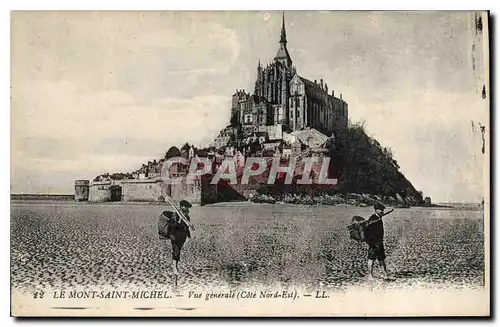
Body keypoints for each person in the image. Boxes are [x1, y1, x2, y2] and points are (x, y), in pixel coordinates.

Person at [158, 200, 193, 275]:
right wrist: (179, 222)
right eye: (185, 207)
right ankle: (174, 267)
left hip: (182, 236)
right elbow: (172, 227)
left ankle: (175, 264)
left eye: (187, 208)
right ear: (181, 207)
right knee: (176, 250)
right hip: (175, 236)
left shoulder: (187, 217)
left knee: (178, 250)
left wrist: (189, 229)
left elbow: (186, 227)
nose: (187, 209)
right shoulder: (175, 216)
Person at [362, 203, 394, 280]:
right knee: (371, 259)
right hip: (373, 243)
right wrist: (370, 242)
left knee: (381, 259)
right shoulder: (373, 218)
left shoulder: (378, 217)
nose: (382, 211)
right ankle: (370, 275)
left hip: (379, 242)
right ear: (376, 210)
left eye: (383, 210)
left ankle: (385, 274)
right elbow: (366, 231)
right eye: (381, 210)